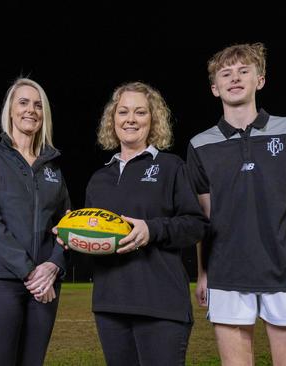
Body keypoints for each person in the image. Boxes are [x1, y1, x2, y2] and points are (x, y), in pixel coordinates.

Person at [187, 42, 286, 365]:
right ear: (215, 88)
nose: (234, 78)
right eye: (226, 73)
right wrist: (203, 273)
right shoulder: (200, 144)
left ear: (260, 80)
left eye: (243, 71)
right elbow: (205, 217)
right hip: (227, 275)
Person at [59, 81, 208, 365]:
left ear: (153, 120)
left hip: (161, 304)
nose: (130, 119)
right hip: (110, 305)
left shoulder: (171, 167)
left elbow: (196, 225)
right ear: (112, 119)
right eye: (123, 112)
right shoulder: (98, 179)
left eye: (140, 112)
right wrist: (71, 237)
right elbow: (96, 242)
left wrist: (151, 230)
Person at [0, 77, 70, 366]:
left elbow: (67, 223)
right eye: (23, 103)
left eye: (38, 105)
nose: (31, 110)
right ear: (10, 110)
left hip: (44, 284)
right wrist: (28, 271)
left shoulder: (53, 166)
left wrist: (54, 265)